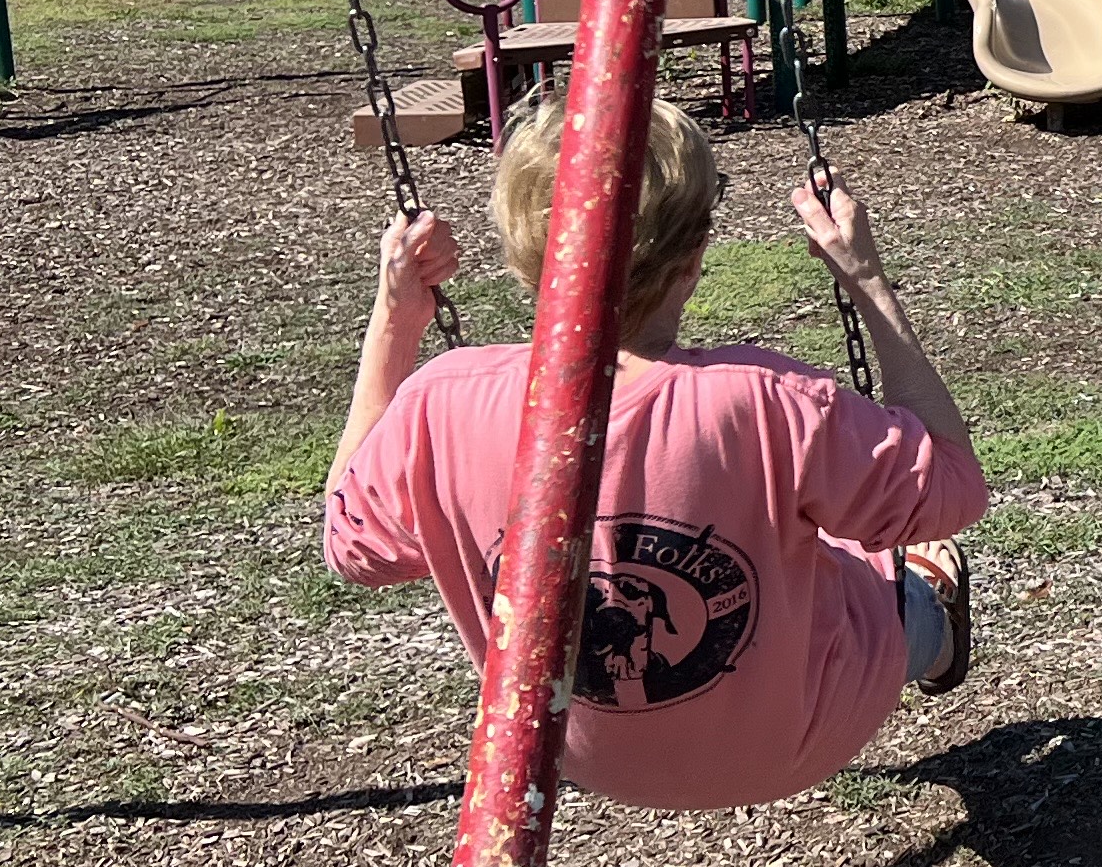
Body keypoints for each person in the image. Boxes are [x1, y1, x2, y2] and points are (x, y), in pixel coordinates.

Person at [324, 93, 990, 813]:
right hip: (801, 736)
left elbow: (348, 544)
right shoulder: (770, 401)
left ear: (521, 251)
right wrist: (866, 282)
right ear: (695, 253)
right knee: (889, 571)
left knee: (799, 517)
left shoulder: (440, 404)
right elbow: (955, 488)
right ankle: (935, 621)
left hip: (581, 755)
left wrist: (394, 322)